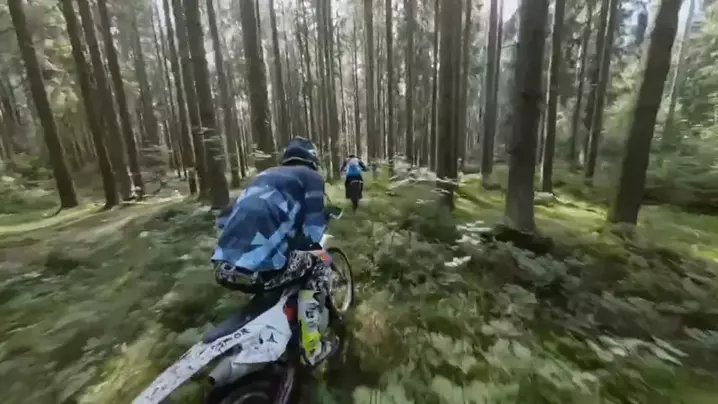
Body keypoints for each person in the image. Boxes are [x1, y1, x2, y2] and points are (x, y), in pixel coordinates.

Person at [212, 137, 335, 365]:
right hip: (261, 272)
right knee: (321, 263)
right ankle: (312, 347)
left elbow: (222, 220)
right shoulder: (311, 177)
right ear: (313, 160)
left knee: (279, 262)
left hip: (222, 267)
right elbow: (314, 231)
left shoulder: (262, 176)